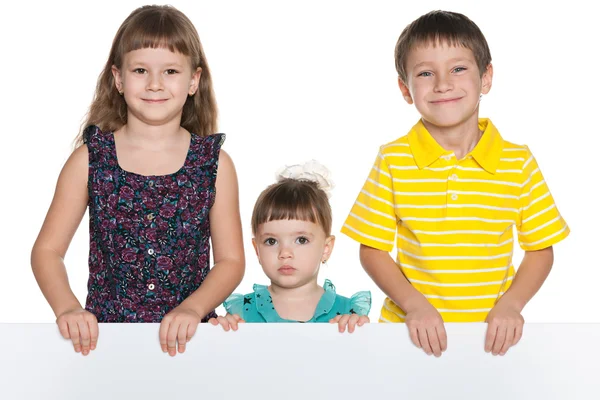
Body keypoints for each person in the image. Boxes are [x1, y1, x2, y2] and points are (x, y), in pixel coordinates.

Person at [341, 10, 569, 357]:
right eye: (426, 73)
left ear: (487, 77)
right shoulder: (393, 159)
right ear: (405, 89)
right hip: (405, 335)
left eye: (458, 68)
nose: (443, 83)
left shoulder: (518, 161)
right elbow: (372, 248)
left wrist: (512, 305)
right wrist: (413, 304)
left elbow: (540, 247)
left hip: (491, 339)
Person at [30, 5, 245, 357]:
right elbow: (47, 251)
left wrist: (192, 309)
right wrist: (67, 308)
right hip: (105, 344)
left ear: (194, 80)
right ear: (118, 78)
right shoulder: (90, 159)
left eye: (171, 71)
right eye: (140, 70)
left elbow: (231, 260)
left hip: (192, 345)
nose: (155, 83)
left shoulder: (214, 164)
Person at [210, 161, 371, 332]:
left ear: (326, 248)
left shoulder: (347, 313)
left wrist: (356, 332)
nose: (285, 253)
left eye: (301, 240)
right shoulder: (242, 313)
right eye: (271, 241)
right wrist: (223, 334)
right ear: (257, 249)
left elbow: (364, 355)